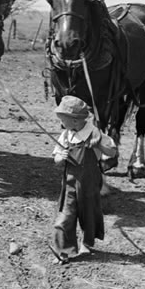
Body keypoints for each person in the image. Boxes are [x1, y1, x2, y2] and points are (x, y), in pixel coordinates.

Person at [50, 95, 117, 264]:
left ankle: (87, 242)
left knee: (89, 214)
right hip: (70, 184)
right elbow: (56, 159)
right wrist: (61, 157)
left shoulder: (94, 133)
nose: (60, 122)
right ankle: (63, 250)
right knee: (66, 215)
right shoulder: (65, 135)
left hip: (89, 183)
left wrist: (99, 143)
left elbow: (112, 152)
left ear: (74, 120)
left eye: (62, 118)